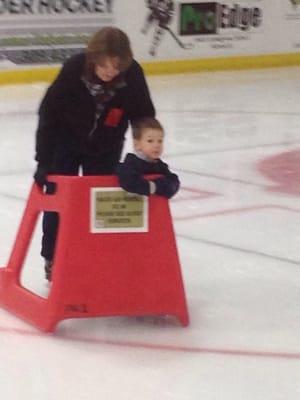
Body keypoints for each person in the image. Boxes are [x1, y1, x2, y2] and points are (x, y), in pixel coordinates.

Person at [33, 27, 155, 281]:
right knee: (58, 202)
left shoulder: (132, 75)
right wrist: (43, 161)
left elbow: (143, 116)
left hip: (105, 145)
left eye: (117, 66)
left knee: (101, 202)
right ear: (93, 59)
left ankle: (97, 254)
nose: (111, 71)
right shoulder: (73, 69)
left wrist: (146, 153)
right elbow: (48, 114)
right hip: (65, 141)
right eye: (105, 65)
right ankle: (52, 257)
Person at [116, 117, 179, 198]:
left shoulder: (160, 166)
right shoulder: (130, 165)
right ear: (137, 144)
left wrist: (165, 186)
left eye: (160, 141)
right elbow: (129, 182)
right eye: (150, 141)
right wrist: (153, 187)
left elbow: (174, 183)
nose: (156, 145)